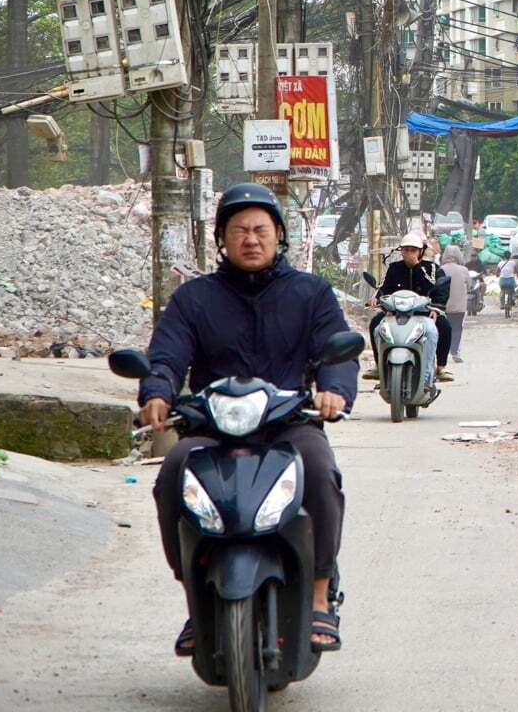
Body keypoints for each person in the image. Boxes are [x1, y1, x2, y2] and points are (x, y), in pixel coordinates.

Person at [138, 182, 356, 657]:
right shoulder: (194, 298)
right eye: (239, 230)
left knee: (320, 470)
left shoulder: (311, 293)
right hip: (212, 429)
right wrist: (157, 391)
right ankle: (195, 603)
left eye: (260, 229)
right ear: (222, 238)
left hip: (288, 424)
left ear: (279, 234)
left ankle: (319, 596)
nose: (251, 239)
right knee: (173, 472)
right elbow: (168, 353)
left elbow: (335, 350)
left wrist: (334, 391)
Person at [370, 233, 453, 380]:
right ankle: (379, 367)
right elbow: (384, 288)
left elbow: (437, 289)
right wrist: (376, 298)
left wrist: (436, 309)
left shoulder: (432, 268)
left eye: (413, 250)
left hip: (424, 313)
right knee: (375, 325)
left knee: (445, 326)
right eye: (405, 250)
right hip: (396, 313)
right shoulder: (394, 268)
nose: (409, 253)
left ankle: (441, 367)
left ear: (420, 251)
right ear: (401, 251)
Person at [440, 246, 471, 363]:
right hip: (459, 306)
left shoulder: (440, 270)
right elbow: (470, 285)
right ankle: (455, 352)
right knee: (457, 328)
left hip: (443, 306)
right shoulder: (464, 270)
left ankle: (443, 352)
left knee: (443, 329)